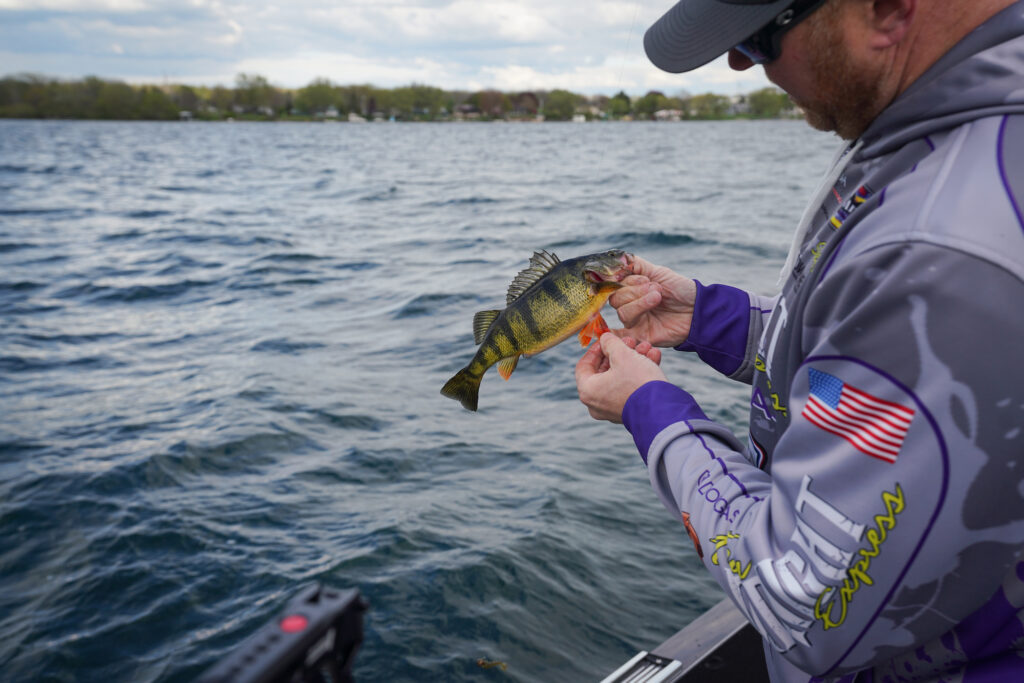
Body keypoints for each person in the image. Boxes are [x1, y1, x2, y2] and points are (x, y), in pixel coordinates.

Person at [575, 0, 1024, 681]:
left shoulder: (944, 256)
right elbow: (875, 358)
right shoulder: (954, 139)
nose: (736, 61)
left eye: (757, 37)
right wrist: (706, 318)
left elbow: (802, 603)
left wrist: (650, 408)